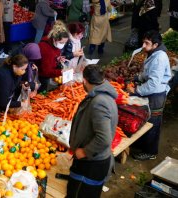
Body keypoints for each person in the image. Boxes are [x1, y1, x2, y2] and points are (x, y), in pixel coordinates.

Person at [67, 65, 118, 198]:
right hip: (93, 159)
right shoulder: (104, 95)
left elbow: (104, 138)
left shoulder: (99, 102)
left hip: (91, 163)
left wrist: (84, 152)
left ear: (84, 80)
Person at [127, 30, 172, 160]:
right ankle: (142, 144)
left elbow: (153, 84)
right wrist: (138, 77)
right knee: (145, 119)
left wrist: (136, 91)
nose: (143, 45)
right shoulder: (153, 53)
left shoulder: (159, 58)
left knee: (152, 123)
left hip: (156, 95)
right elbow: (149, 73)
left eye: (147, 43)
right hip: (152, 93)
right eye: (143, 42)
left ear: (155, 45)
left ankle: (150, 152)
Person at [38, 20, 69, 92]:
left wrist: (57, 58)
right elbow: (46, 71)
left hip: (49, 73)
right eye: (61, 42)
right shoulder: (45, 48)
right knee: (42, 93)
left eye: (65, 43)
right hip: (42, 77)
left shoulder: (54, 44)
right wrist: (61, 71)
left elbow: (54, 54)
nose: (63, 45)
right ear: (54, 39)